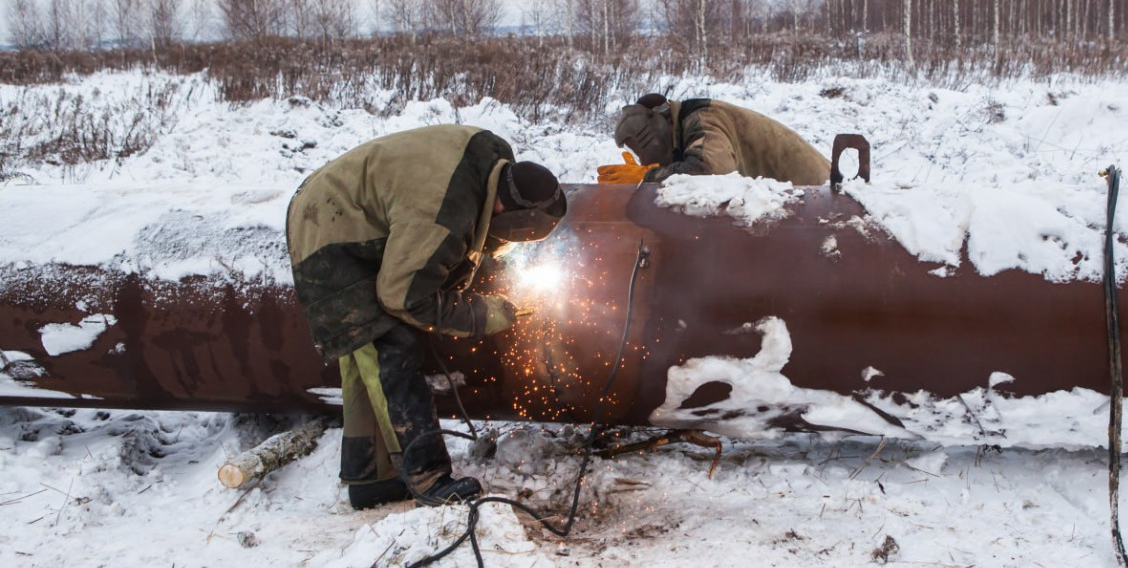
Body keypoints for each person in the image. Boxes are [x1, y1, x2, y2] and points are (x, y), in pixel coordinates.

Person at [285, 125, 566, 510]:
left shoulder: (491, 166)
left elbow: (450, 245)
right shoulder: (445, 211)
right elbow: (404, 297)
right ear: (509, 212)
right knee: (389, 349)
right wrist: (481, 315)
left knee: (361, 359)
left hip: (343, 207)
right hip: (331, 229)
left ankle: (372, 479)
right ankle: (428, 477)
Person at [597, 93, 832, 185]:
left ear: (664, 124)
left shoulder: (701, 119)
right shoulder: (685, 124)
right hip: (796, 201)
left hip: (819, 198)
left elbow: (714, 172)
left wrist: (648, 177)